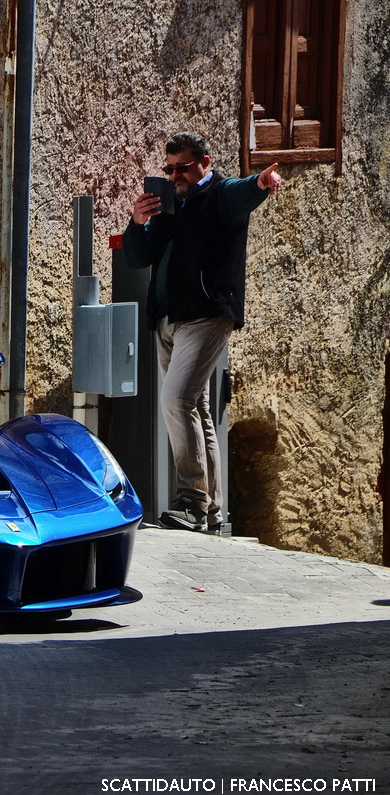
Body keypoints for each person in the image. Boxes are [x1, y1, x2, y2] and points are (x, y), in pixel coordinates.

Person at [123, 132, 282, 533]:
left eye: (184, 167)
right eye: (169, 168)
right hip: (166, 318)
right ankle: (211, 511)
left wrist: (262, 183)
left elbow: (244, 192)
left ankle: (191, 500)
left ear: (205, 164)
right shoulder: (169, 205)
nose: (176, 175)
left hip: (206, 315)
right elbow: (139, 257)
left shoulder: (222, 194)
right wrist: (138, 222)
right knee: (198, 409)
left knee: (176, 400)